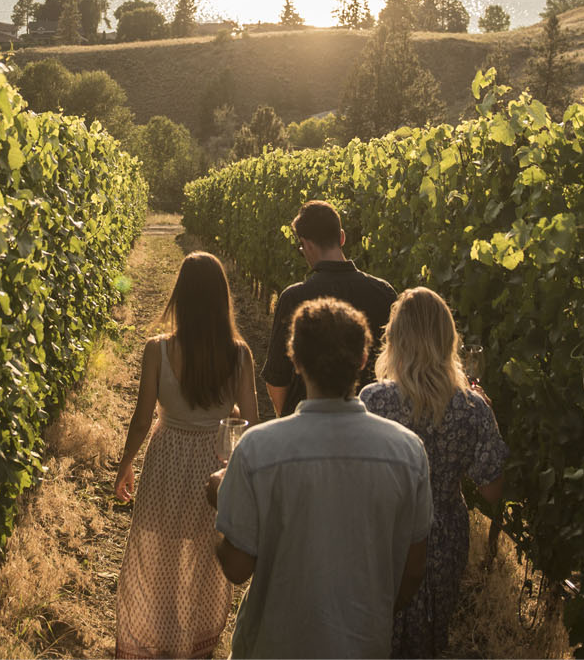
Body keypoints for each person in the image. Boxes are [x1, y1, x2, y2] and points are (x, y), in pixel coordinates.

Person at [209, 297, 432, 658]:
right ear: (363, 359)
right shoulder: (407, 453)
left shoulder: (258, 451)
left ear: (295, 360)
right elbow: (414, 567)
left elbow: (236, 568)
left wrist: (223, 503)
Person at [113, 252, 258, 658]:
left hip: (166, 461)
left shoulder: (156, 350)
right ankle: (193, 642)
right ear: (221, 300)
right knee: (202, 554)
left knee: (161, 551)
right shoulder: (239, 354)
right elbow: (249, 423)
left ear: (180, 296)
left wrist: (125, 466)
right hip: (215, 466)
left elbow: (142, 420)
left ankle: (161, 637)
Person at [360, 287, 509, 658]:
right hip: (443, 536)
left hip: (385, 532)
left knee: (377, 632)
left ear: (394, 339)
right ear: (448, 340)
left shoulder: (374, 400)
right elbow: (492, 490)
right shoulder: (472, 407)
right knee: (430, 638)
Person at [261, 200, 396, 417]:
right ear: (342, 237)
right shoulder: (383, 293)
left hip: (306, 429)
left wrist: (288, 421)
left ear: (307, 245)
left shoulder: (294, 298)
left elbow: (277, 379)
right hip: (370, 426)